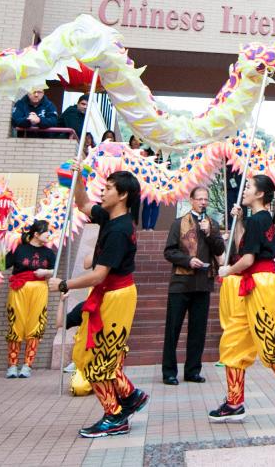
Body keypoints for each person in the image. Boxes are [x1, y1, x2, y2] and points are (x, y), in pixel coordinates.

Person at [209, 174, 275, 426]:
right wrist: (237, 221)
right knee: (234, 341)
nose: (244, 190)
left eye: (248, 187)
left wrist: (227, 271)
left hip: (260, 283)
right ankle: (234, 402)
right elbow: (241, 248)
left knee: (270, 345)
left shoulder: (260, 219)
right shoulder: (257, 219)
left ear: (259, 194)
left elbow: (246, 260)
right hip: (253, 284)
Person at [65, 168, 153, 438]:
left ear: (123, 195)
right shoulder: (109, 218)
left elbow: (99, 274)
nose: (103, 191)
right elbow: (81, 203)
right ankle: (131, 396)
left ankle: (115, 416)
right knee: (92, 356)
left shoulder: (121, 229)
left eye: (109, 187)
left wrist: (64, 284)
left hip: (116, 296)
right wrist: (78, 177)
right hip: (108, 295)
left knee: (99, 360)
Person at [162, 187, 222, 384]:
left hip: (203, 283)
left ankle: (193, 371)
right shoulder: (179, 223)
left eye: (206, 199)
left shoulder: (212, 224)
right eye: (199, 199)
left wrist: (210, 233)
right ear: (191, 201)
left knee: (198, 330)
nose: (203, 202)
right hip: (181, 283)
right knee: (173, 329)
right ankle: (169, 372)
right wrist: (188, 260)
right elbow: (169, 252)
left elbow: (220, 249)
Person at [3, 222, 58, 378]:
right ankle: (12, 365)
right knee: (16, 325)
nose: (49, 235)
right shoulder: (19, 249)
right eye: (47, 231)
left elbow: (55, 269)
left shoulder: (49, 252)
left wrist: (46, 272)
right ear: (36, 233)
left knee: (36, 325)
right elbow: (0, 264)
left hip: (40, 289)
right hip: (19, 289)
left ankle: (27, 365)